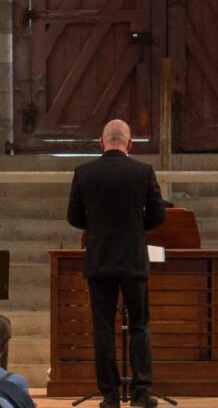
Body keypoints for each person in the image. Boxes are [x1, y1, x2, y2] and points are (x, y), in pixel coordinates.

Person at [66, 119, 167, 408]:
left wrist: (96, 227)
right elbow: (159, 215)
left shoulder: (84, 172)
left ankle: (109, 395)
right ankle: (141, 392)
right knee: (139, 326)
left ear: (102, 142)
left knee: (103, 328)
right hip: (133, 258)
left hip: (99, 258)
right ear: (129, 143)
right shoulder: (143, 172)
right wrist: (135, 227)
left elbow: (74, 217)